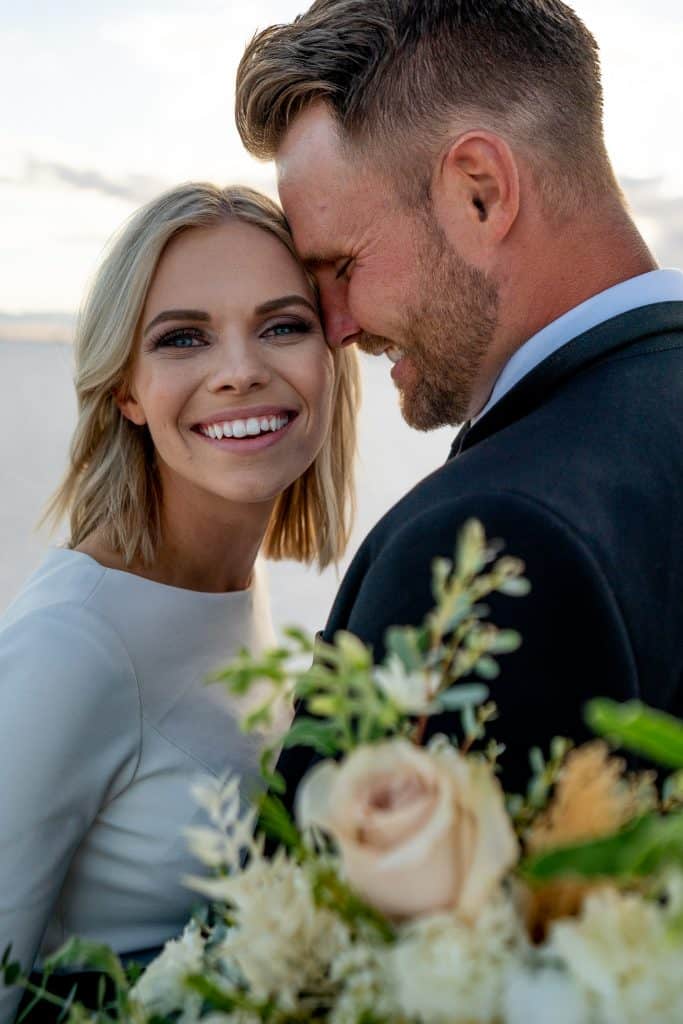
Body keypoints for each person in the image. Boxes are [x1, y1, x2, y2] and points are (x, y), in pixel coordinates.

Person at [235, 0, 683, 805]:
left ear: (479, 191)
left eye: (341, 264)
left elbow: (337, 915)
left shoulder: (482, 542)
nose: (334, 327)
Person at [0, 183, 359, 1022]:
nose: (239, 371)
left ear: (330, 357)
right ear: (125, 388)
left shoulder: (236, 583)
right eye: (183, 338)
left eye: (282, 325)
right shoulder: (71, 646)